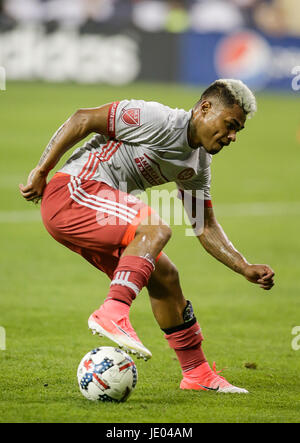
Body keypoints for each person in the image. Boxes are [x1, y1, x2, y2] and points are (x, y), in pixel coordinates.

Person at [19, 79, 275, 394]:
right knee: (155, 229)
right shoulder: (158, 119)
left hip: (93, 209)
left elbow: (204, 226)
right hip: (73, 191)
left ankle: (197, 374)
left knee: (165, 276)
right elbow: (82, 118)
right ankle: (112, 311)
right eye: (230, 125)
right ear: (205, 108)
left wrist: (242, 266)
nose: (232, 136)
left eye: (238, 130)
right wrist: (41, 171)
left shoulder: (198, 165)